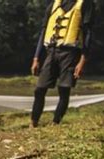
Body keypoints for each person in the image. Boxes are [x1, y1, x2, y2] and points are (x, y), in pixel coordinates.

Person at [30, 0, 95, 128]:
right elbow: (43, 32)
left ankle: (55, 123)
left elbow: (88, 33)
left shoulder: (85, 3)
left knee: (64, 89)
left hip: (71, 53)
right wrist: (36, 58)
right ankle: (33, 123)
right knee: (39, 89)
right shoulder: (55, 4)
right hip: (51, 51)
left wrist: (82, 60)